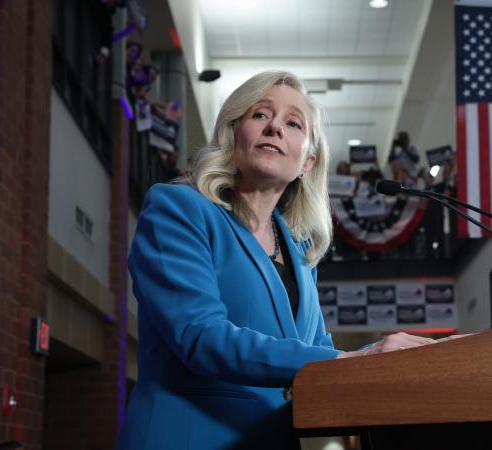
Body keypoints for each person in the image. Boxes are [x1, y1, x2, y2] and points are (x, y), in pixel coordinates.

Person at [116, 71, 436, 450]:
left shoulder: (299, 253)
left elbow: (318, 348)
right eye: (260, 115)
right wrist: (349, 359)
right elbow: (202, 336)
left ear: (307, 161)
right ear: (233, 134)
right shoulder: (178, 208)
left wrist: (385, 356)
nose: (275, 129)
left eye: (293, 123)